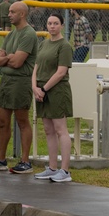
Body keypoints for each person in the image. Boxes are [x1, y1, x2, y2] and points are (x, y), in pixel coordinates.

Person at [0, 1, 38, 173]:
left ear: (22, 14)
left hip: (20, 82)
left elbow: (18, 62)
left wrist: (8, 58)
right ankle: (0, 159)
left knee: (22, 120)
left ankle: (25, 161)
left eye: (13, 12)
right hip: (6, 81)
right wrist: (8, 58)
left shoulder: (28, 34)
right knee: (2, 121)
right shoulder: (10, 34)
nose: (9, 14)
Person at [32, 13, 73, 182]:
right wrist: (34, 87)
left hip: (56, 90)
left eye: (56, 23)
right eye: (49, 23)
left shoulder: (64, 46)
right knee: (48, 130)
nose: (52, 26)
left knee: (60, 129)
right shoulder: (43, 44)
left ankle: (64, 170)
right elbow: (36, 67)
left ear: (62, 25)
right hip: (41, 91)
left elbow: (61, 71)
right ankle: (52, 167)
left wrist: (44, 88)